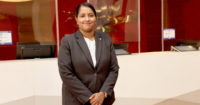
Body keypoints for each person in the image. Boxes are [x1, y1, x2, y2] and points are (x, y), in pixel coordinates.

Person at [58, 2, 119, 105]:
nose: (87, 19)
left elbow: (114, 69)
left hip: (103, 101)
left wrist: (103, 93)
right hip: (76, 101)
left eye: (90, 15)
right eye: (82, 16)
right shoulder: (67, 42)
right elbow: (66, 73)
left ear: (95, 19)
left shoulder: (106, 40)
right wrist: (90, 98)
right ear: (76, 20)